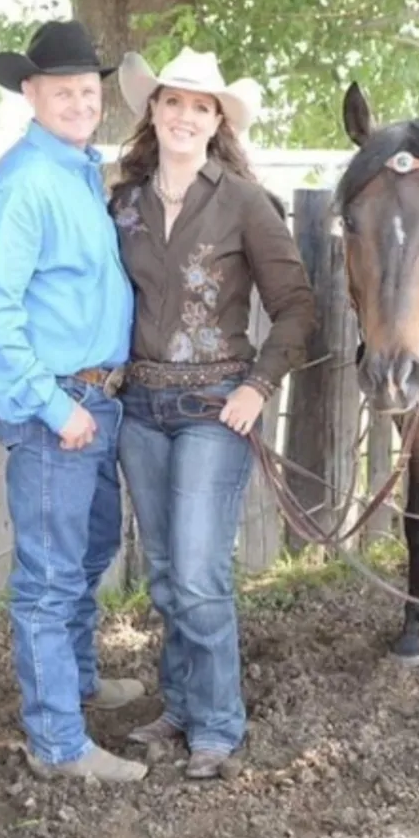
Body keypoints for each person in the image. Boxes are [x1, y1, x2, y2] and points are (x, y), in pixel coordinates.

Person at [105, 46, 316, 779]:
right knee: (165, 572)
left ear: (217, 120)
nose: (186, 116)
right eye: (174, 102)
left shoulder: (244, 202)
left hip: (212, 409)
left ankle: (219, 726)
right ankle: (182, 706)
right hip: (138, 407)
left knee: (197, 572)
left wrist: (258, 386)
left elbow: (296, 308)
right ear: (153, 111)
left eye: (201, 106)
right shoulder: (122, 201)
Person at [0, 19, 150, 783]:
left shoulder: (75, 171)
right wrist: (50, 404)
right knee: (48, 579)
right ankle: (58, 743)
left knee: (90, 552)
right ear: (30, 94)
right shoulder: (22, 183)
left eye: (88, 90)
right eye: (61, 90)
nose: (78, 101)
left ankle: (81, 678)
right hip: (58, 409)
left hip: (96, 401)